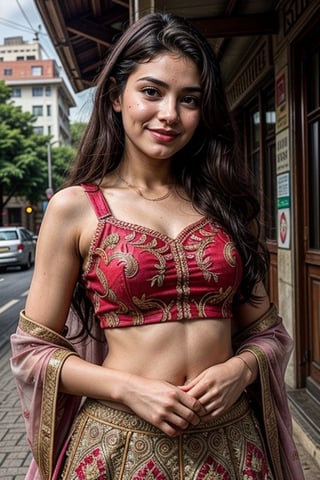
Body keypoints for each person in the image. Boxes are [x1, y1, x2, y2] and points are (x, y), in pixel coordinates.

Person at [10, 12, 303, 480]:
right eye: (151, 91)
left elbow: (267, 333)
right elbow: (33, 353)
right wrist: (128, 388)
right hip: (118, 448)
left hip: (232, 447)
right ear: (115, 97)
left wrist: (241, 372)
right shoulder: (77, 208)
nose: (169, 114)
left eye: (189, 99)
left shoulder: (224, 205)